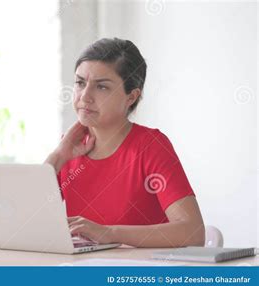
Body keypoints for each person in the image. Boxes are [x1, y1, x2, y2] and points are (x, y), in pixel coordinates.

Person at [45, 38, 205, 248]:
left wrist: (110, 233)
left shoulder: (150, 146)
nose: (85, 96)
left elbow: (193, 232)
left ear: (131, 97)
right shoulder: (68, 148)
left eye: (101, 87)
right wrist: (57, 157)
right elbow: (23, 222)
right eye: (80, 83)